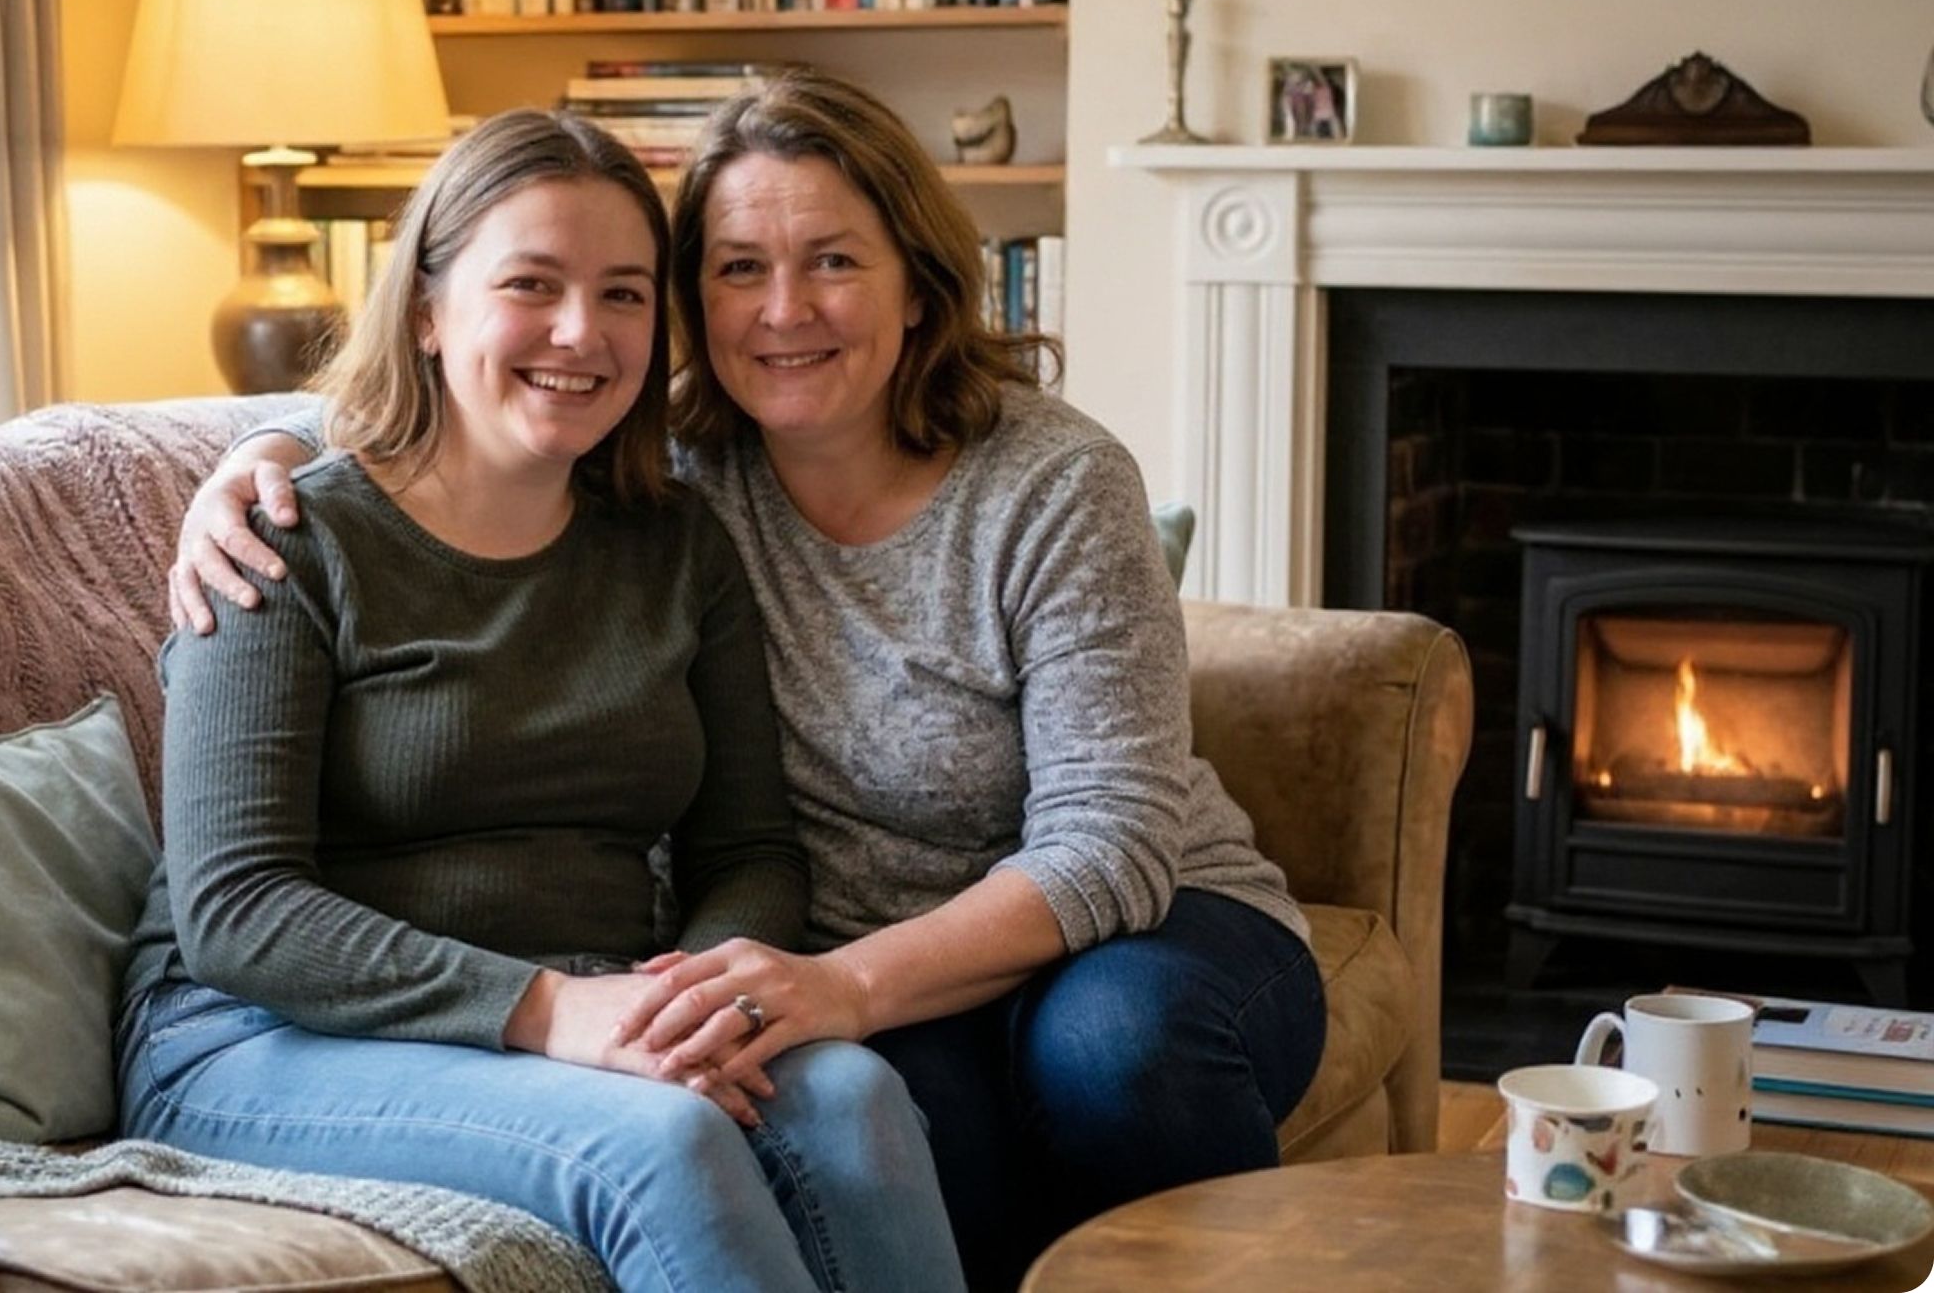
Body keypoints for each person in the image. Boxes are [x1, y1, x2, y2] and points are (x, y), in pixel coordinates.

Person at [174, 74, 1325, 1288]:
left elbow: (1110, 845)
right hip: (831, 969)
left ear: (920, 285)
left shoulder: (1042, 484)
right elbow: (454, 406)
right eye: (735, 270)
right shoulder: (673, 464)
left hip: (1118, 936)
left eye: (832, 261)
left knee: (1108, 1051)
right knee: (884, 1115)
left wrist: (823, 988)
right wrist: (257, 453)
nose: (784, 311)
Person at [119, 107, 965, 1293]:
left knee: (856, 1101)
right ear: (426, 307)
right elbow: (237, 909)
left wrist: (693, 1004)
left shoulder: (677, 546)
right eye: (532, 284)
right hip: (261, 1039)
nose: (582, 332)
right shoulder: (285, 543)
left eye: (624, 294)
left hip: (594, 1009)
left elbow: (752, 849)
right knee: (664, 1145)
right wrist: (549, 1010)